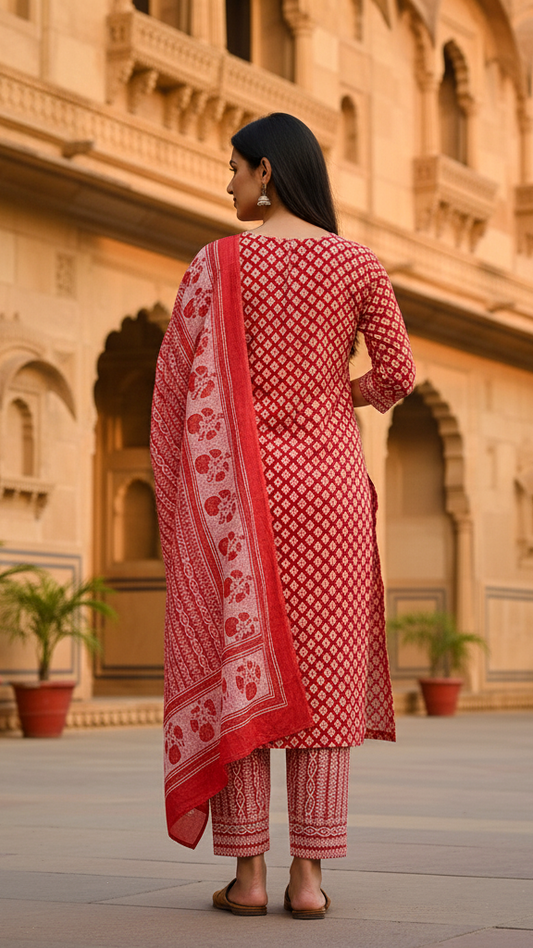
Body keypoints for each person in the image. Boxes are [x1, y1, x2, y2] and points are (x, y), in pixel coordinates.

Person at [150, 112, 415, 920]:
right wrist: (344, 396)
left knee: (243, 672)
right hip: (329, 494)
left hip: (242, 498)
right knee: (323, 683)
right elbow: (398, 373)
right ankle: (308, 880)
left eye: (232, 168)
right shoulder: (357, 263)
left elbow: (173, 391)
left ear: (266, 172)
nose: (225, 183)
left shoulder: (215, 265)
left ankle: (250, 876)